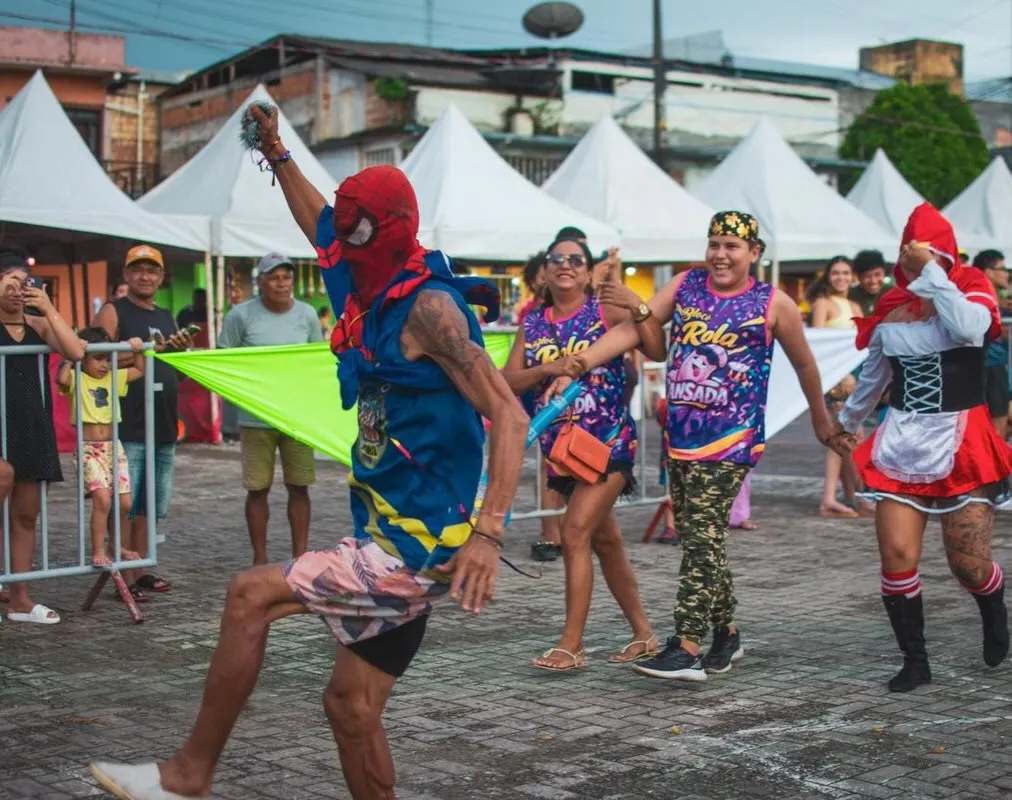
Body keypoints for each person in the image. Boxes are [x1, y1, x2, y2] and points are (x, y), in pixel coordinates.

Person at [89, 106, 528, 800]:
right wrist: (276, 150)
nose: (341, 247)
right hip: (385, 525)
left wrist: (491, 529)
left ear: (387, 237)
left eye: (356, 236)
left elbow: (508, 413)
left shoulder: (427, 308)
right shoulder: (364, 272)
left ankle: (188, 775)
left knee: (248, 596)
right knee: (351, 709)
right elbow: (318, 219)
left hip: (419, 543)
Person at [548, 211, 848, 681]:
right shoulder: (687, 285)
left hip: (733, 439)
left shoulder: (774, 303)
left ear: (754, 253)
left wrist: (821, 418)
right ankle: (726, 632)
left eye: (732, 245)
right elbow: (632, 330)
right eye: (714, 243)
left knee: (702, 534)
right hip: (681, 437)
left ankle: (686, 645)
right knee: (697, 536)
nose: (720, 254)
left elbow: (806, 365)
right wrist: (580, 361)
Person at [839, 203, 1012, 693]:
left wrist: (935, 275)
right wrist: (845, 422)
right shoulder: (891, 304)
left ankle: (992, 607)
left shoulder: (972, 285)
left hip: (964, 441)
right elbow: (874, 378)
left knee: (968, 565)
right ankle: (916, 660)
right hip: (901, 440)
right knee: (895, 554)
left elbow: (970, 330)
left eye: (930, 252)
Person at [503, 235, 664, 671]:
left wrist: (638, 304)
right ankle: (644, 634)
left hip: (608, 443)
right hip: (564, 452)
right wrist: (547, 369)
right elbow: (507, 382)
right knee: (606, 541)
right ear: (545, 269)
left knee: (573, 531)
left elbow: (656, 348)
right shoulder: (532, 323)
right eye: (557, 258)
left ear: (588, 269)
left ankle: (571, 644)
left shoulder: (603, 310)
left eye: (576, 259)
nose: (566, 265)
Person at [94, 244, 193, 599]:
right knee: (126, 504)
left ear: (161, 277)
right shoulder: (112, 310)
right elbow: (95, 363)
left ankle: (141, 569)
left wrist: (178, 350)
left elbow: (172, 367)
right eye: (138, 269)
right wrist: (138, 354)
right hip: (127, 422)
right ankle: (124, 573)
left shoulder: (166, 316)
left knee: (150, 506)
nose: (145, 276)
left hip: (163, 421)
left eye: (152, 270)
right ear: (126, 274)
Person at [217, 253, 323, 565]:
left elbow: (316, 359)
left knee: (299, 486)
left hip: (297, 417)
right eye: (274, 277)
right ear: (260, 282)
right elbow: (224, 360)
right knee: (257, 489)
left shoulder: (307, 315)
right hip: (255, 417)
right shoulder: (239, 315)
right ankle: (259, 559)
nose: (281, 283)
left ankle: (300, 557)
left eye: (286, 277)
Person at [0, 246, 85, 624]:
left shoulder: (38, 323)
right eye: (9, 281)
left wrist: (48, 307)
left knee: (25, 515)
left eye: (24, 282)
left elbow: (76, 350)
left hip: (32, 427)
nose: (18, 289)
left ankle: (19, 596)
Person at [57, 328, 145, 566]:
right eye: (97, 358)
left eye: (107, 358)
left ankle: (118, 546)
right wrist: (71, 353)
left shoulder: (113, 376)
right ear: (83, 359)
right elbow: (62, 380)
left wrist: (136, 349)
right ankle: (97, 550)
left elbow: (138, 370)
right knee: (102, 500)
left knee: (126, 502)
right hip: (89, 448)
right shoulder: (77, 377)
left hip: (113, 447)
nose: (104, 364)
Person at [807, 256, 869, 519]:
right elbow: (818, 345)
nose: (841, 277)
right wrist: (839, 375)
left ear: (852, 276)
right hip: (835, 378)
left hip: (855, 377)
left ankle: (852, 496)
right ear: (828, 276)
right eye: (836, 273)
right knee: (843, 436)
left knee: (851, 438)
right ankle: (834, 498)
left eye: (845, 273)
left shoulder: (854, 304)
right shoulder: (823, 303)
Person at [516, 251, 564, 562]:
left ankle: (570, 532)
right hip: (544, 405)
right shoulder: (533, 317)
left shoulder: (589, 311)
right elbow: (512, 374)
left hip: (588, 412)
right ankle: (551, 533)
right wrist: (548, 371)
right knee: (551, 467)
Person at [972, 250, 1010, 437]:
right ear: (987, 271)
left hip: (986, 369)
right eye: (1002, 268)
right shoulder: (984, 299)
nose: (1007, 273)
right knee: (997, 429)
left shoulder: (989, 298)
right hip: (991, 369)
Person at [849, 249, 888, 316]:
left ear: (884, 273)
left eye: (877, 274)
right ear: (859, 277)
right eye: (867, 276)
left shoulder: (893, 293)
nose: (873, 281)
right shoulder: (849, 295)